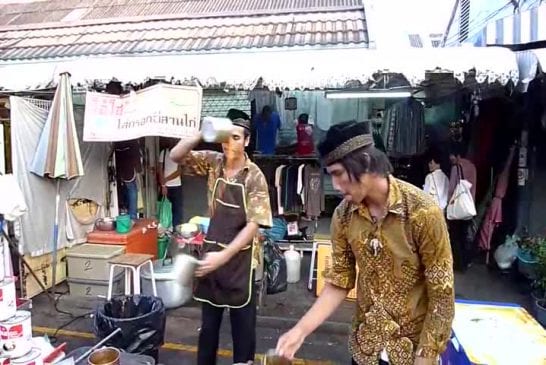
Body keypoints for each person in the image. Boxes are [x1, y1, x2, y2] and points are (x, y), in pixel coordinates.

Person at [275, 121, 455, 365]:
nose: (336, 186)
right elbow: (340, 281)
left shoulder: (423, 212)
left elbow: (442, 295)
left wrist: (426, 357)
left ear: (367, 163)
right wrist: (300, 331)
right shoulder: (343, 216)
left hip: (411, 354)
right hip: (364, 350)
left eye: (339, 174)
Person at [170, 111, 272, 365]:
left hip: (240, 261)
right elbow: (176, 156)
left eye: (235, 138)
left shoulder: (254, 176)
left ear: (246, 141)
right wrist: (201, 133)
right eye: (225, 138)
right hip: (212, 252)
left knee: (243, 333)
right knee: (208, 330)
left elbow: (255, 224)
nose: (229, 144)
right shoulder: (213, 162)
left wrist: (224, 257)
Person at [448, 144, 477, 271]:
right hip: (469, 207)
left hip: (458, 208)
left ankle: (458, 264)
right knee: (465, 235)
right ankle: (466, 261)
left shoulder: (456, 168)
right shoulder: (472, 167)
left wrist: (448, 205)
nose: (450, 158)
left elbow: (451, 189)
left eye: (452, 155)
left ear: (458, 155)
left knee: (455, 236)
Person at [113, 139, 142, 219]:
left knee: (122, 189)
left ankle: (123, 211)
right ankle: (132, 215)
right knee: (132, 189)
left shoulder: (116, 139)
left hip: (118, 166)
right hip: (129, 168)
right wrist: (139, 169)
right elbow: (136, 154)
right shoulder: (131, 138)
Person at [158, 137, 183, 227]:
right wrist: (163, 185)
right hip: (169, 186)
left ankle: (174, 229)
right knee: (167, 209)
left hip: (175, 185)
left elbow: (179, 171)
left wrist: (165, 181)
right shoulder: (163, 153)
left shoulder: (179, 154)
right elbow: (160, 170)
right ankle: (168, 228)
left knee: (176, 211)